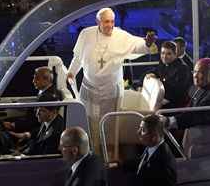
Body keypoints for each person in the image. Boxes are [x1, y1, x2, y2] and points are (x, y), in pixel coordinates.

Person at [66, 8, 157, 149]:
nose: (110, 25)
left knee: (109, 123)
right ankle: (90, 150)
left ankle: (108, 153)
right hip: (89, 88)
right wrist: (72, 72)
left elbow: (136, 45)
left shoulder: (120, 35)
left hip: (111, 90)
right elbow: (78, 57)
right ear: (98, 22)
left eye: (112, 21)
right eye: (106, 22)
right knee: (89, 122)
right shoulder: (86, 34)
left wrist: (147, 44)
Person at [168, 58, 210, 130]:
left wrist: (171, 121)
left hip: (206, 134)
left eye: (200, 72)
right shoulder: (202, 87)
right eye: (195, 71)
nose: (195, 75)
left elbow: (197, 116)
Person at [3, 66, 63, 133]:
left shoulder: (48, 97)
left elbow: (37, 120)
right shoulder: (44, 91)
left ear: (47, 80)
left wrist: (13, 125)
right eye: (34, 78)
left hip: (33, 129)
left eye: (37, 79)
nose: (33, 81)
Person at [145, 41, 192, 108]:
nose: (164, 56)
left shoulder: (182, 69)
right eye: (163, 53)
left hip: (177, 104)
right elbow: (156, 71)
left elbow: (179, 92)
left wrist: (160, 84)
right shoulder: (163, 62)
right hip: (163, 97)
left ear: (175, 55)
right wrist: (152, 74)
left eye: (168, 54)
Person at [133, 114, 177, 185]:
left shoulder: (164, 163)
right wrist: (119, 164)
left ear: (154, 137)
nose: (138, 132)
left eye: (143, 130)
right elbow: (141, 162)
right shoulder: (151, 147)